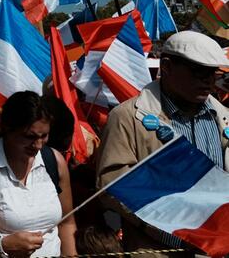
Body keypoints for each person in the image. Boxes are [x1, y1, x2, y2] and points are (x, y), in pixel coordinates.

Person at [97, 31, 229, 256]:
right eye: (199, 72)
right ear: (166, 66)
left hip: (218, 247)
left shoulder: (223, 116)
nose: (208, 81)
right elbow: (112, 186)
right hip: (159, 249)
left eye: (213, 74)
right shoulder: (128, 117)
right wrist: (167, 224)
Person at [0, 91, 77, 257]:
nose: (38, 145)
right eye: (29, 136)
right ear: (7, 128)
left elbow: (67, 223)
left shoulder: (54, 161)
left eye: (44, 136)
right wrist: (3, 245)